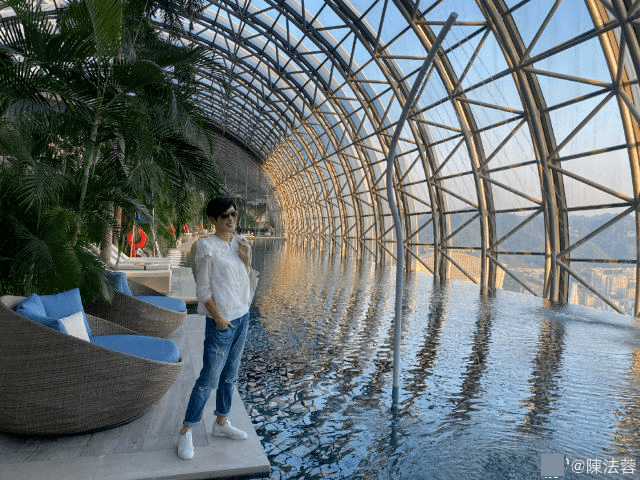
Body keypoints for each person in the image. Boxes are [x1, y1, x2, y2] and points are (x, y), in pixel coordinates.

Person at [177, 197, 252, 460]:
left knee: (230, 375)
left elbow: (242, 279)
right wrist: (218, 318)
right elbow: (203, 290)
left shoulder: (240, 243)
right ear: (213, 220)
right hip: (222, 321)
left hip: (242, 317)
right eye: (225, 215)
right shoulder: (206, 247)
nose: (231, 219)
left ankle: (221, 421)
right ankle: (187, 429)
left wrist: (246, 260)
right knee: (209, 378)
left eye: (234, 214)